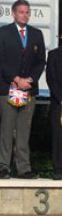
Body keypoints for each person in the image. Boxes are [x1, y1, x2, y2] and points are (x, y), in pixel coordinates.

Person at [0, 0, 45, 179]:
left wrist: (29, 80)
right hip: (9, 88)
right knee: (7, 130)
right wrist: (15, 79)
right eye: (21, 12)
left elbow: (40, 61)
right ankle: (3, 167)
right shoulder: (3, 32)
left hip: (28, 90)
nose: (25, 15)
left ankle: (24, 168)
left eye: (27, 12)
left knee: (24, 131)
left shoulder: (37, 34)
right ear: (13, 13)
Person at [46, 45, 62, 180]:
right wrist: (60, 98)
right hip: (59, 103)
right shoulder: (54, 55)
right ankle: (58, 169)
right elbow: (51, 78)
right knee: (58, 136)